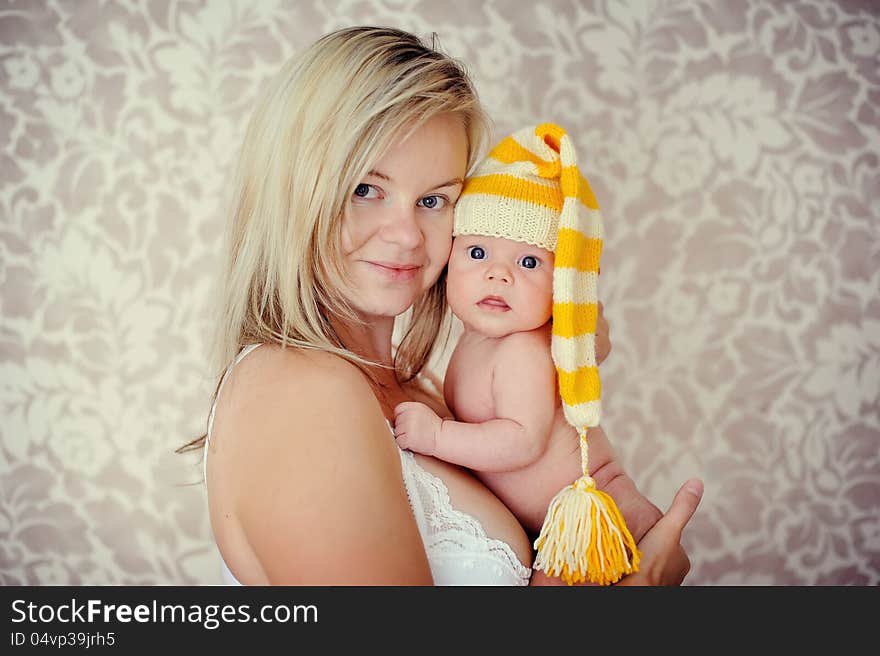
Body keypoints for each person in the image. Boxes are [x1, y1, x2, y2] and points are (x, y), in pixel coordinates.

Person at [178, 25, 703, 585]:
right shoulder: (300, 389)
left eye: (434, 200)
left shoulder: (422, 388)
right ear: (294, 190)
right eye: (365, 189)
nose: (406, 235)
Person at [392, 123, 662, 585]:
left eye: (529, 262)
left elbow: (521, 439)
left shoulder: (522, 349)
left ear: (560, 287)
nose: (499, 276)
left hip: (594, 526)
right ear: (449, 262)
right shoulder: (477, 341)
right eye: (477, 252)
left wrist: (438, 437)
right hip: (551, 533)